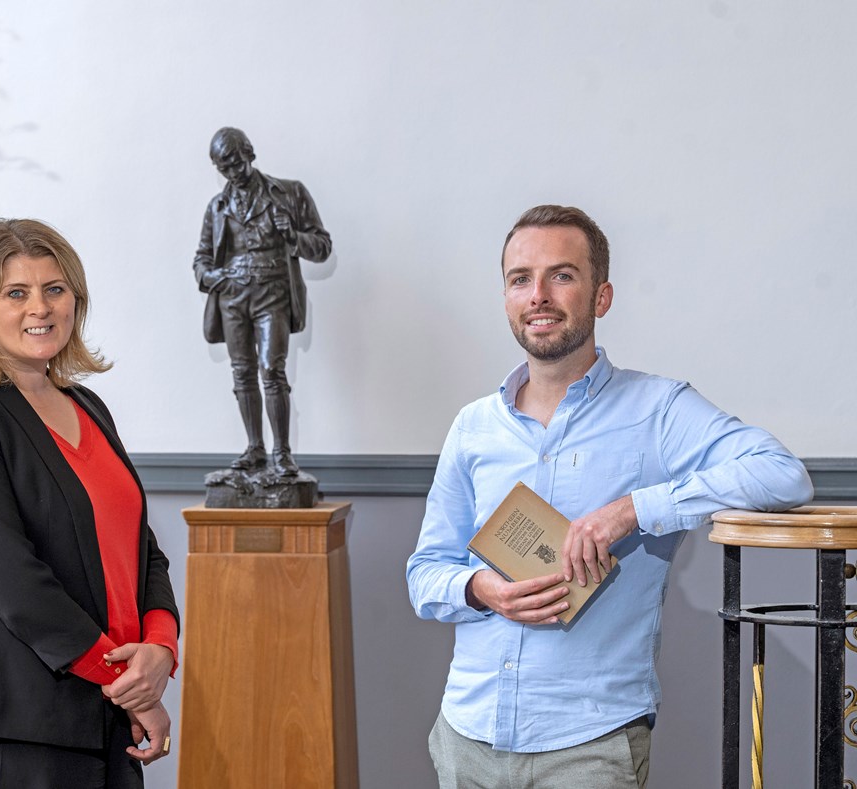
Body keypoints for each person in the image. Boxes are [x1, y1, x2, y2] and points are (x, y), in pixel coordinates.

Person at [406, 205, 813, 788]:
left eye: (562, 275)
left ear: (602, 297)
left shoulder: (660, 410)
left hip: (588, 747)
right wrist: (481, 589)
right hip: (464, 737)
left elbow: (781, 474)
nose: (538, 295)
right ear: (506, 299)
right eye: (521, 279)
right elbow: (424, 574)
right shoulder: (472, 427)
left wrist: (633, 510)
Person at [0, 219, 180, 789]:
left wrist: (160, 647)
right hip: (17, 722)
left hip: (105, 718)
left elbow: (142, 551)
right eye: (17, 293)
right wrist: (127, 683)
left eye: (55, 289)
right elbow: (14, 583)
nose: (41, 307)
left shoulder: (89, 406)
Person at [193, 127, 332, 477]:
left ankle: (281, 453)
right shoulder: (218, 207)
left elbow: (322, 247)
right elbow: (201, 260)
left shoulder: (289, 193)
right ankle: (255, 448)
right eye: (224, 168)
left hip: (273, 292)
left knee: (272, 370)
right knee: (242, 373)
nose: (233, 173)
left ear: (250, 154)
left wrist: (292, 236)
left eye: (237, 163)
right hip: (233, 298)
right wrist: (214, 277)